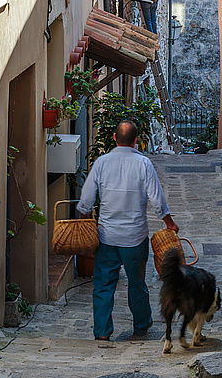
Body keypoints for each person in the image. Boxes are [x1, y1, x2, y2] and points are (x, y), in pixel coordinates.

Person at [77, 119, 179, 341]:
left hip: (107, 236)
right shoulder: (143, 164)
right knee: (137, 283)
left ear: (114, 138)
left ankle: (102, 332)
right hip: (135, 236)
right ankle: (141, 324)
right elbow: (156, 198)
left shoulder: (102, 163)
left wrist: (84, 221)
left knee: (103, 285)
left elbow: (85, 200)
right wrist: (169, 223)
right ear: (136, 141)